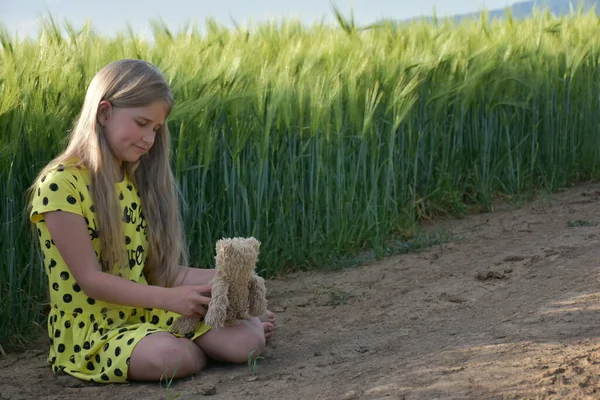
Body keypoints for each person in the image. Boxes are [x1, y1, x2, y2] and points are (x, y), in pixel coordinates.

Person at [27, 58, 276, 384]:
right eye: (142, 123)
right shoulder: (60, 184)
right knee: (169, 357)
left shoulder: (134, 183)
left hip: (145, 312)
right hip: (94, 330)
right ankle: (196, 350)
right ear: (104, 113)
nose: (149, 138)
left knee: (247, 341)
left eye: (156, 129)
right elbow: (91, 280)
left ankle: (200, 348)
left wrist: (227, 281)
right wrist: (173, 301)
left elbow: (161, 274)